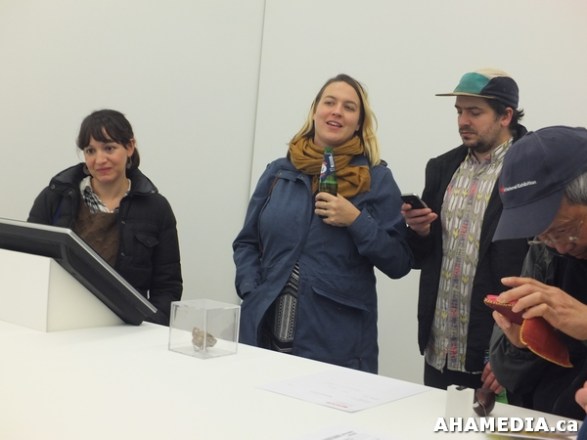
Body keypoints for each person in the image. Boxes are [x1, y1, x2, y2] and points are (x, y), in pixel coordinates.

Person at [232, 73, 412, 373]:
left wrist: (356, 220)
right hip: (263, 330)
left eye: (349, 107)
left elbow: (399, 261)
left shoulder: (376, 178)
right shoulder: (279, 172)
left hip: (335, 342)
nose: (337, 111)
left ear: (359, 122)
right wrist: (251, 289)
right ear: (315, 111)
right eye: (329, 102)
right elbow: (246, 243)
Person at [401, 68, 530, 392]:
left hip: (497, 356)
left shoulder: (530, 171)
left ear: (506, 115)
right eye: (459, 111)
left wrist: (513, 354)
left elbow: (543, 270)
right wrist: (419, 231)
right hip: (440, 350)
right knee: (438, 422)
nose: (463, 121)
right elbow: (422, 257)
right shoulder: (441, 167)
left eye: (474, 112)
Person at [28, 109, 182, 325]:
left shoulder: (156, 208)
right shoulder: (55, 197)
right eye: (90, 150)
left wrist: (148, 329)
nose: (100, 159)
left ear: (130, 147)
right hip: (59, 322)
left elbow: (167, 287)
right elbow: (30, 264)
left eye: (109, 148)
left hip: (126, 329)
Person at [489, 125, 587, 420]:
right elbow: (505, 372)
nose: (560, 246)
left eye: (566, 230)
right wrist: (523, 344)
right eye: (542, 235)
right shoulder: (547, 250)